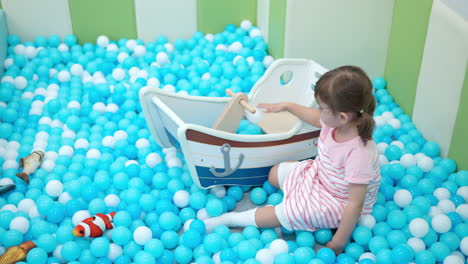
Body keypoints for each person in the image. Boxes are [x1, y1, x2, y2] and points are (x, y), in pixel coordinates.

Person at [204, 65, 381, 254]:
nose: (319, 112)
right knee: (275, 174)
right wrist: (287, 106)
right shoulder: (337, 123)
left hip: (337, 200)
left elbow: (355, 203)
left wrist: (338, 242)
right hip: (321, 175)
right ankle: (298, 196)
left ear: (343, 117)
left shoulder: (358, 154)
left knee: (285, 213)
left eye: (322, 108)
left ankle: (230, 219)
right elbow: (315, 119)